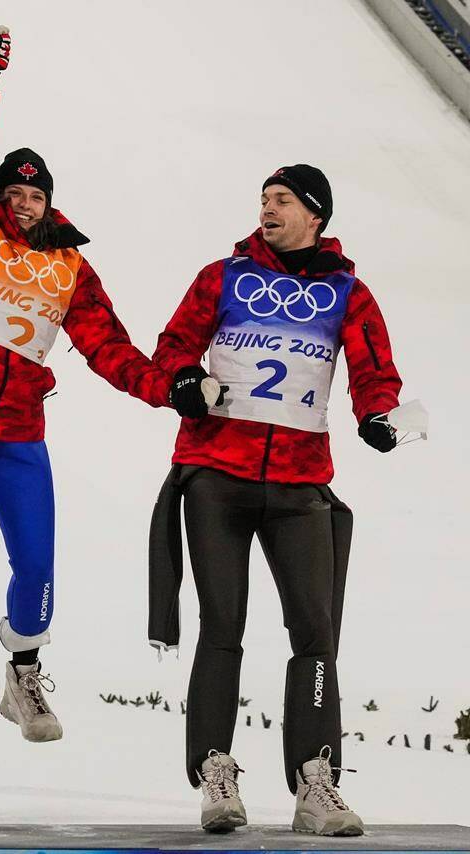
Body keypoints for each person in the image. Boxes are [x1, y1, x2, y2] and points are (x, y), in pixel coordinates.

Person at [0, 29, 173, 759]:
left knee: (38, 564)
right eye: (12, 193)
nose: (22, 204)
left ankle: (24, 673)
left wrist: (171, 389)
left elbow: (110, 348)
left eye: (34, 194)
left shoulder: (71, 268)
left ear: (49, 201)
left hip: (17, 434)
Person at [149, 164, 403, 835]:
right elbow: (175, 343)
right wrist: (180, 379)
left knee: (315, 633)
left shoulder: (347, 290)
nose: (268, 208)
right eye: (263, 199)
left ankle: (316, 783)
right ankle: (215, 775)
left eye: (283, 200)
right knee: (222, 624)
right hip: (216, 473)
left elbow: (375, 367)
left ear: (315, 214)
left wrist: (378, 414)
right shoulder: (222, 276)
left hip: (299, 484)